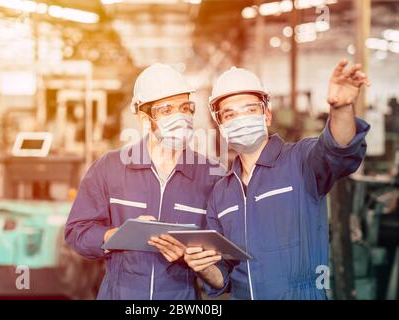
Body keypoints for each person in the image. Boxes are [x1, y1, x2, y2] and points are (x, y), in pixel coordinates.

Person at [183, 59, 371, 300]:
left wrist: (342, 108)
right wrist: (203, 266)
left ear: (267, 115)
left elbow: (339, 150)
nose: (240, 119)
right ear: (220, 125)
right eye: (229, 114)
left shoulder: (301, 161)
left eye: (250, 109)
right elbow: (224, 276)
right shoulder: (221, 194)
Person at [65, 63, 220, 300]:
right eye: (167, 110)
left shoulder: (210, 175)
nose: (181, 117)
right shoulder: (110, 167)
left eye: (186, 108)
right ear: (144, 118)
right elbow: (77, 233)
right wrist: (118, 235)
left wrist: (198, 260)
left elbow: (224, 262)